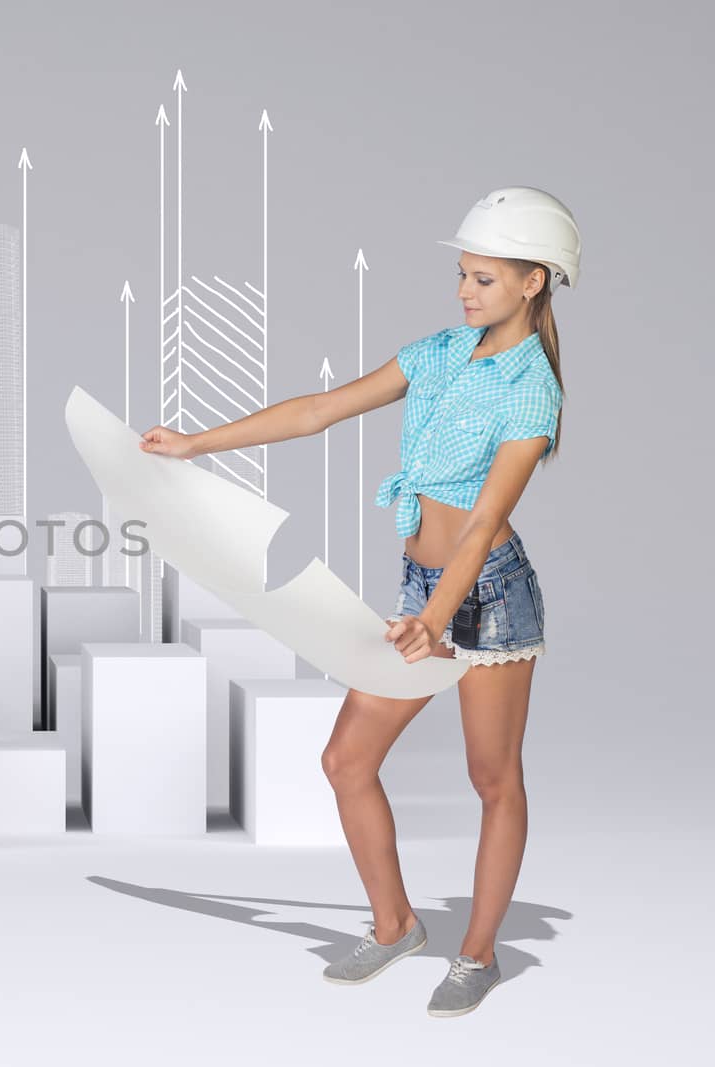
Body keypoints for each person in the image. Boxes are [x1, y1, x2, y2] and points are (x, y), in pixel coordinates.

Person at [137, 186, 578, 1018]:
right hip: (423, 592)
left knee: (492, 778)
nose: (464, 292)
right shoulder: (445, 351)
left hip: (485, 601)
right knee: (346, 761)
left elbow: (484, 522)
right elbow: (319, 409)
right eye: (462, 275)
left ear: (533, 283)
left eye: (484, 279)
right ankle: (396, 923)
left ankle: (477, 954)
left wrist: (436, 620)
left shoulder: (533, 389)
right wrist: (195, 444)